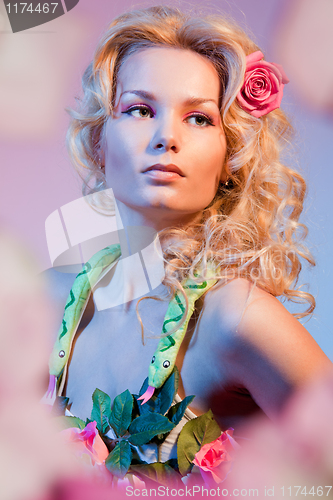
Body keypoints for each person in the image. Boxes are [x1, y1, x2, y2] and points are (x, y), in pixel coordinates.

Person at [45, 5, 331, 452]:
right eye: (139, 109)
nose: (167, 136)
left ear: (229, 159)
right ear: (99, 141)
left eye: (199, 118)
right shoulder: (48, 302)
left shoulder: (233, 316)